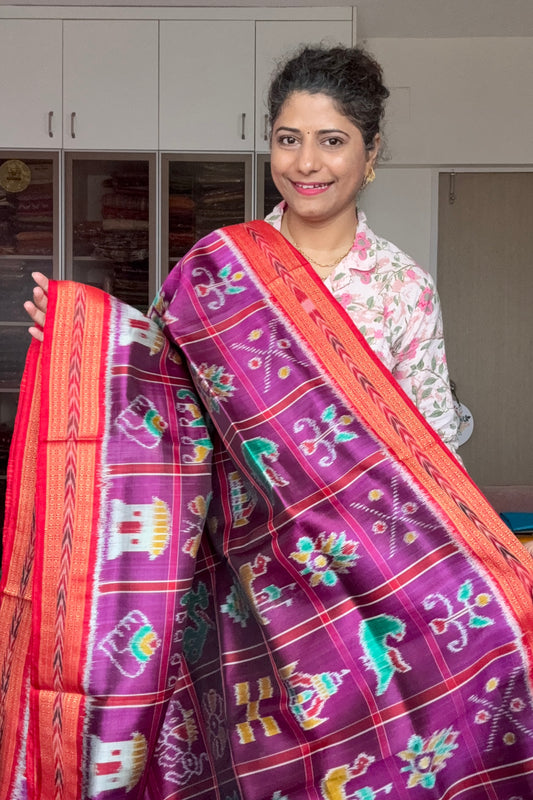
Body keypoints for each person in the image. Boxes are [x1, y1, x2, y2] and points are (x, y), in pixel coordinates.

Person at [3, 44, 533, 800]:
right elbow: (160, 387)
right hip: (243, 573)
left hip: (366, 576)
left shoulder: (398, 291)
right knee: (253, 758)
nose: (306, 163)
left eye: (331, 140)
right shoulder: (221, 268)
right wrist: (83, 341)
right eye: (289, 139)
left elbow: (431, 452)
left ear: (370, 153)